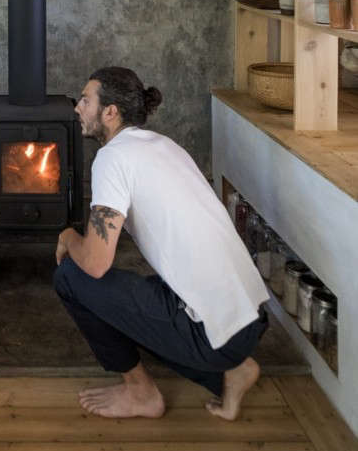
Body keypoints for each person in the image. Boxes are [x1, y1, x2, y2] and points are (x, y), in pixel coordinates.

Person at [54, 66, 269, 422]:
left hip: (211, 333)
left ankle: (141, 394)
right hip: (249, 316)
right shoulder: (162, 145)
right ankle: (231, 371)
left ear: (111, 112)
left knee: (71, 277)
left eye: (85, 100)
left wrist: (67, 235)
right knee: (136, 299)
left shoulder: (112, 158)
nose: (77, 107)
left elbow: (94, 263)